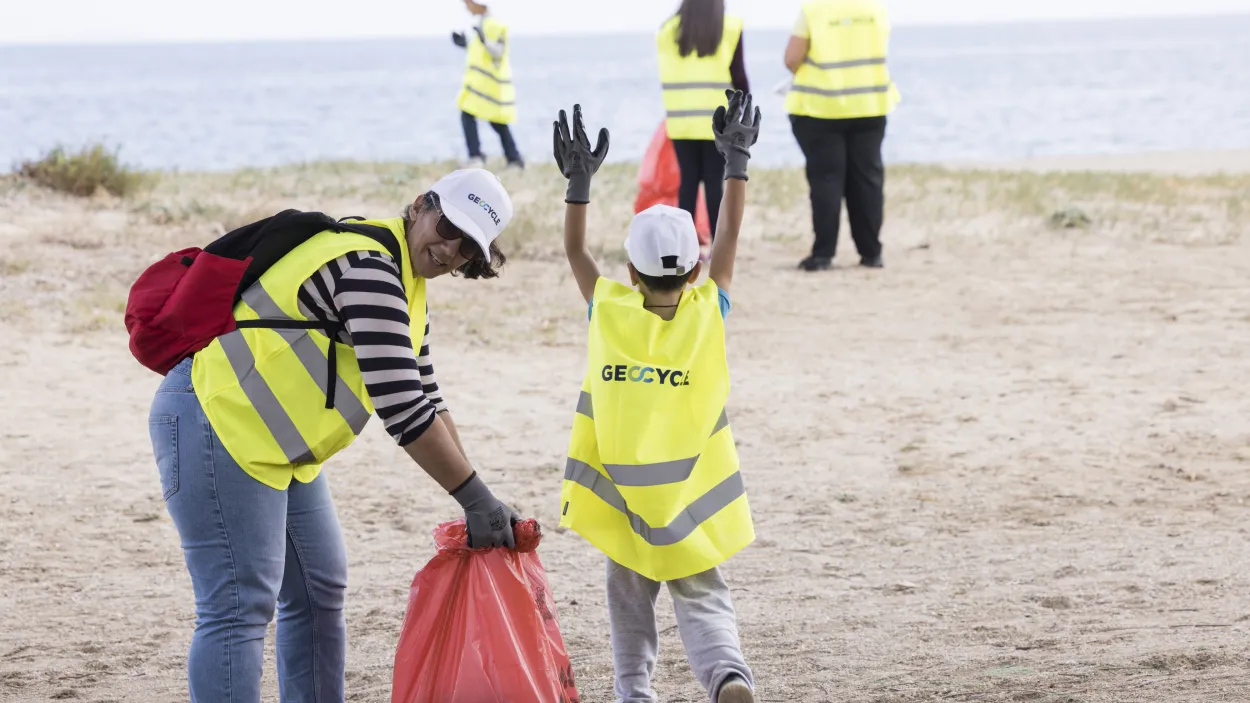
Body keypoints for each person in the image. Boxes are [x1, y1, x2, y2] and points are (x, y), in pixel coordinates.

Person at [147, 168, 523, 701]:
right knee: (237, 606)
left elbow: (428, 396)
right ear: (421, 204)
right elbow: (404, 411)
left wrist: (481, 499)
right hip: (216, 422)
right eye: (448, 226)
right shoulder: (369, 267)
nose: (450, 248)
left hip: (276, 445)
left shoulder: (405, 283)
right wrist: (475, 498)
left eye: (468, 248)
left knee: (320, 589)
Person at [551, 92, 761, 703]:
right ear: (693, 272)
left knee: (628, 602)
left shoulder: (610, 312)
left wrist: (580, 182)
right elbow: (729, 237)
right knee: (702, 594)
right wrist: (736, 161)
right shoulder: (706, 312)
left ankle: (634, 692)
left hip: (624, 498)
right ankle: (727, 675)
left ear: (631, 273)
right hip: (691, 496)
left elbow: (574, 251)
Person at [785, 0, 900, 271]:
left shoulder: (813, 9)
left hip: (822, 107)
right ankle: (871, 253)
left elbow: (792, 59)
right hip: (870, 104)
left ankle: (823, 254)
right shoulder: (875, 8)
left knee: (827, 180)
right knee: (868, 179)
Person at [656, 0, 749, 243]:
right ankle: (719, 244)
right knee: (714, 185)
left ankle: (684, 244)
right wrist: (745, 111)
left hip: (681, 121)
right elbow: (738, 76)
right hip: (718, 124)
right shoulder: (730, 26)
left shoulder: (668, 30)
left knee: (687, 183)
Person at [452, 0, 523, 168]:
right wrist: (465, 45)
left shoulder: (494, 24)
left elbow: (498, 52)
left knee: (484, 119)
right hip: (481, 86)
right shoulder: (483, 23)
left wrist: (483, 39)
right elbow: (481, 53)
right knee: (488, 120)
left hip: (490, 85)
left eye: (468, 3)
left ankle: (479, 156)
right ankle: (512, 158)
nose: (466, 7)